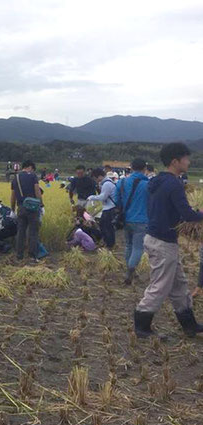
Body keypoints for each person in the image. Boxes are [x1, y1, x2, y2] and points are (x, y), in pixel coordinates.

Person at [134, 143, 203, 339]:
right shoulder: (174, 184)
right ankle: (142, 326)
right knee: (160, 285)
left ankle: (190, 325)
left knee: (179, 284)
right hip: (163, 242)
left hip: (157, 237)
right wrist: (201, 215)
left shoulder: (156, 182)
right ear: (175, 161)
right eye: (186, 159)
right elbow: (186, 214)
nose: (189, 162)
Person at [114, 158, 150, 285]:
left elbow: (116, 199)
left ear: (131, 168)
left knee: (128, 245)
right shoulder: (148, 184)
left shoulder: (122, 182)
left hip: (126, 219)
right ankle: (130, 272)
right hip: (142, 220)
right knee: (138, 247)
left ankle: (130, 270)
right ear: (145, 169)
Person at [10, 160, 43, 261]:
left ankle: (19, 255)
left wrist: (12, 209)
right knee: (33, 232)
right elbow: (37, 191)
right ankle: (32, 256)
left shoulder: (16, 178)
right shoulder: (33, 176)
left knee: (21, 232)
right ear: (30, 167)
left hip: (21, 207)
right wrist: (41, 204)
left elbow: (13, 196)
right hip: (33, 208)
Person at [87, 168, 117, 249]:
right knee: (106, 226)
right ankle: (109, 243)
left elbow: (103, 197)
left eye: (95, 178)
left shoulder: (107, 184)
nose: (95, 180)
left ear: (99, 176)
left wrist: (92, 197)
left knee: (106, 227)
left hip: (109, 208)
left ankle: (109, 244)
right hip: (108, 208)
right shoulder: (107, 183)